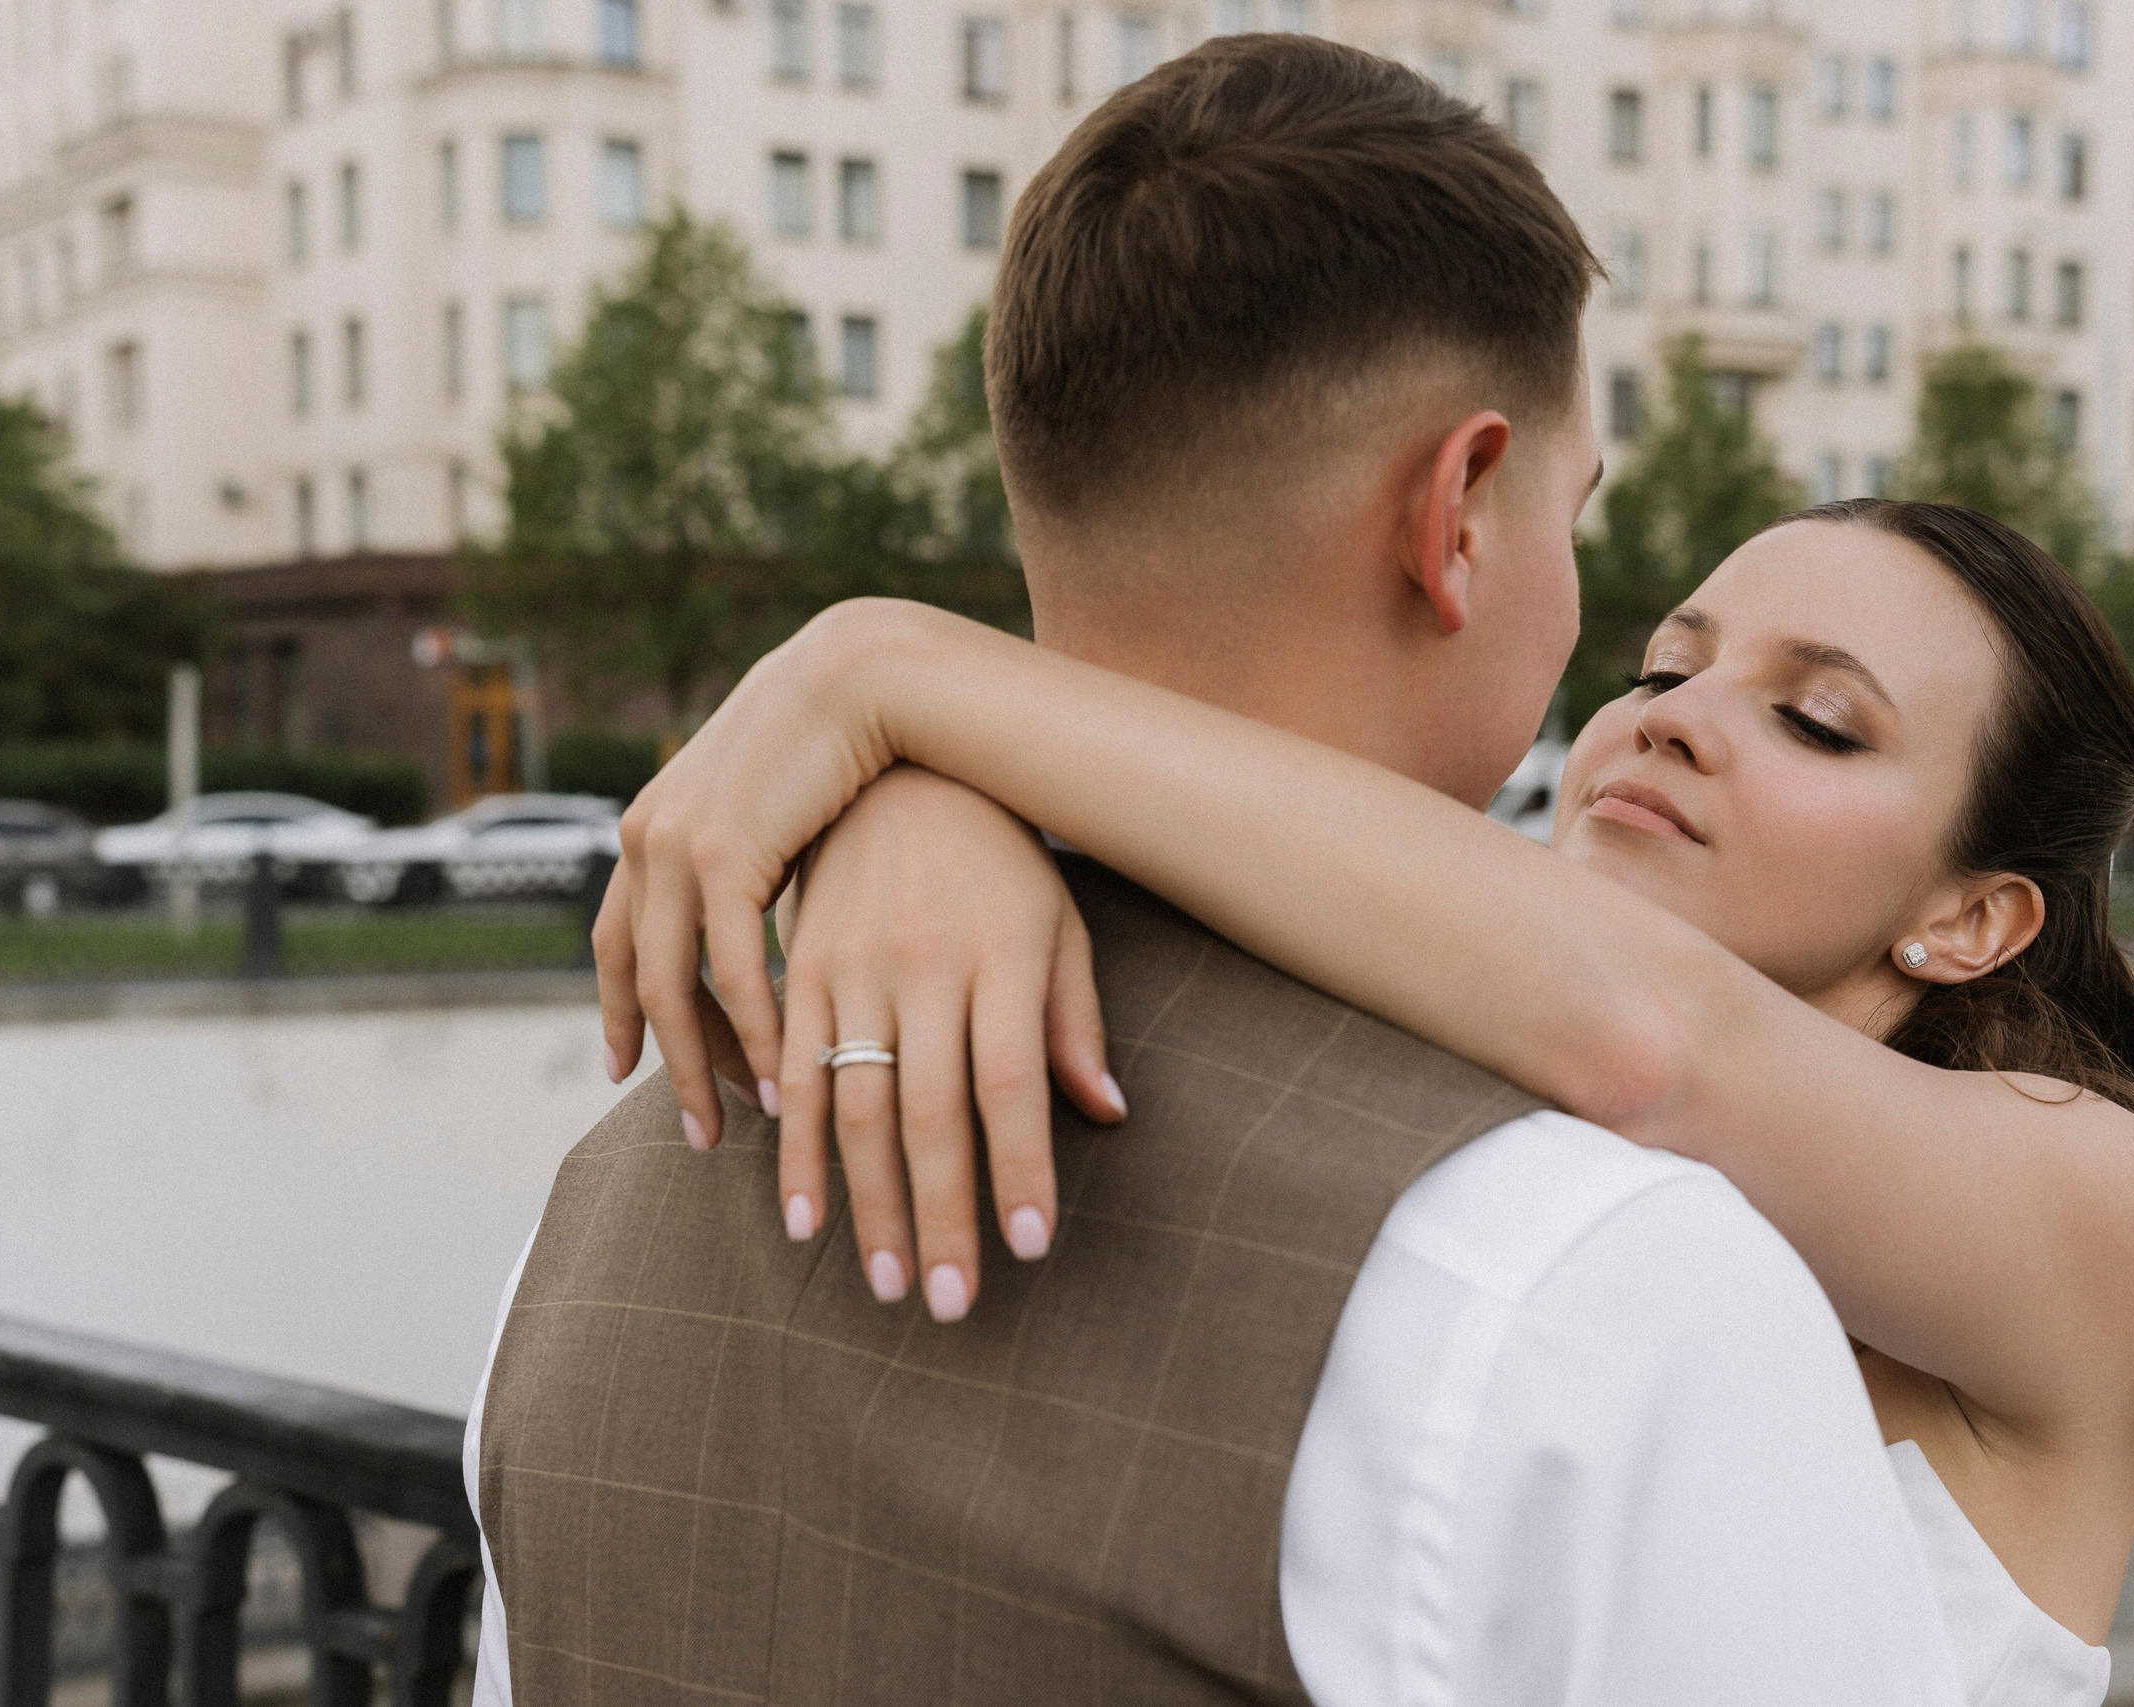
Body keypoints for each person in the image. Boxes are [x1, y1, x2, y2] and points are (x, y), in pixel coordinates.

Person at [471, 32, 1975, 1707]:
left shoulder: (600, 1209)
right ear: (1461, 511)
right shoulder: (1600, 1282)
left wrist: (905, 732)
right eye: (1576, 516)